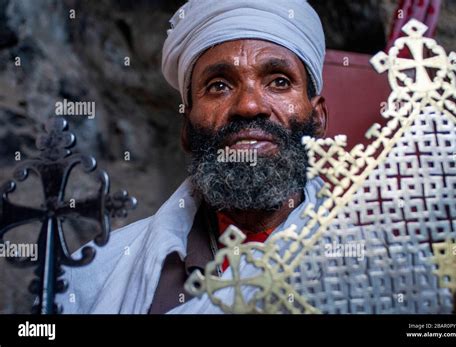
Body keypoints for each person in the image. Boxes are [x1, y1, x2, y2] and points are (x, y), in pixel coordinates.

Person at [57, 0, 328, 314]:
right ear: (186, 128)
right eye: (219, 86)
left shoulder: (370, 257)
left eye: (279, 82)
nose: (249, 106)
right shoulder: (95, 273)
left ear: (319, 117)